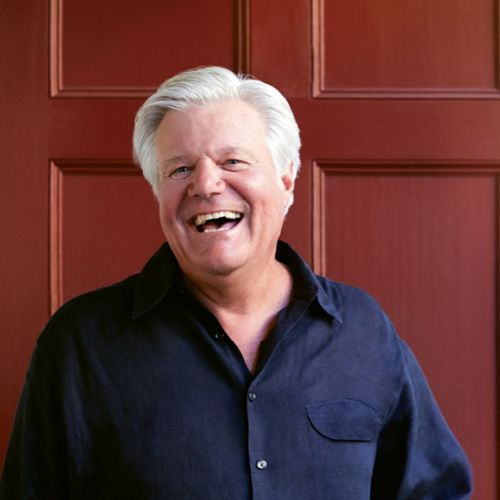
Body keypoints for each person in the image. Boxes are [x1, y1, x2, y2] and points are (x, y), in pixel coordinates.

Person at [0, 66, 472, 499]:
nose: (205, 185)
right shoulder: (80, 344)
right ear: (157, 193)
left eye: (233, 161)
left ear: (286, 181)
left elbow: (435, 492)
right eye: (180, 169)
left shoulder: (362, 330)